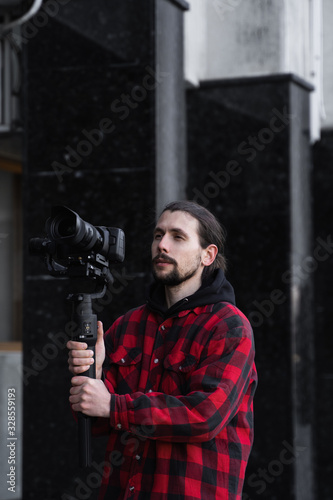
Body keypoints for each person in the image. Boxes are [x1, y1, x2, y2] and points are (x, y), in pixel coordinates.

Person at [67, 200, 257, 500]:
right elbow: (94, 422)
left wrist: (114, 406)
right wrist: (92, 374)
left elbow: (204, 416)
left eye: (177, 237)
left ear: (208, 255)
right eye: (158, 235)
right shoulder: (128, 324)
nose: (162, 245)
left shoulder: (228, 327)